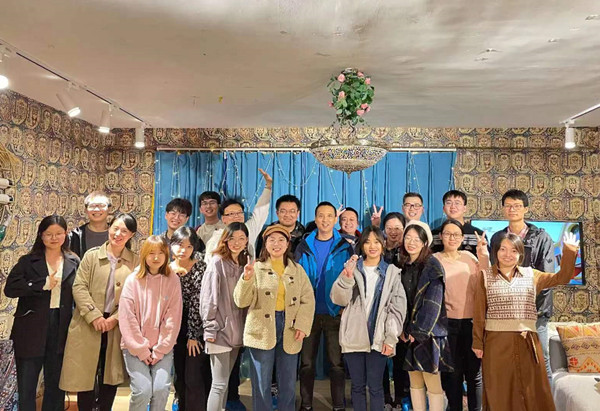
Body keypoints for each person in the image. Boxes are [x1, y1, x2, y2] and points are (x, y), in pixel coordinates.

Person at [472, 232, 579, 410]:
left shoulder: (532, 275)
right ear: (496, 252)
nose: (508, 254)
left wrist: (569, 251)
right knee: (499, 389)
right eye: (503, 249)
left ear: (521, 254)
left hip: (528, 342)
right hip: (495, 343)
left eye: (514, 250)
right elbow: (479, 311)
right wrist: (477, 342)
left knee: (532, 391)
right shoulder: (485, 276)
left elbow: (562, 277)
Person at [60, 213, 139, 411]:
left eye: (124, 231)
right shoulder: (92, 256)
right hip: (88, 322)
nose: (118, 234)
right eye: (115, 228)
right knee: (85, 373)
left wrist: (115, 318)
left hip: (117, 325)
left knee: (110, 375)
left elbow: (137, 297)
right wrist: (94, 316)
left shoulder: (135, 261)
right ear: (109, 228)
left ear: (131, 235)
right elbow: (79, 286)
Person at [234, 224, 316, 411]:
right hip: (261, 329)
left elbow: (307, 300)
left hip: (290, 328)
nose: (276, 244)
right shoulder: (256, 268)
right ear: (265, 244)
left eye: (281, 240)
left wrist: (302, 325)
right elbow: (240, 301)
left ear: (288, 244)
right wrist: (246, 278)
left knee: (288, 382)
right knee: (261, 382)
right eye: (272, 240)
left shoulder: (297, 269)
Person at [4, 215, 80, 411]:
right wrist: (41, 284)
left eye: (59, 234)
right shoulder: (28, 261)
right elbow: (10, 289)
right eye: (49, 234)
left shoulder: (73, 260)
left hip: (61, 326)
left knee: (56, 383)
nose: (54, 238)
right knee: (27, 383)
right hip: (31, 328)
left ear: (66, 234)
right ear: (41, 235)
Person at [330, 226, 407, 411]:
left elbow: (397, 308)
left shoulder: (392, 272)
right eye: (367, 242)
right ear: (361, 245)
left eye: (376, 242)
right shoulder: (352, 268)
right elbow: (338, 299)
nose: (372, 246)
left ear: (383, 244)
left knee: (376, 387)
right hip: (354, 336)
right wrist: (347, 278)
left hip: (378, 337)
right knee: (357, 387)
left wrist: (390, 337)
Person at [489, 189, 555, 381]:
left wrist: (529, 308)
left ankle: (546, 399)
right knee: (508, 364)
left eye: (517, 206)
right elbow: (494, 275)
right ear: (503, 209)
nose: (513, 209)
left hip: (536, 313)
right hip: (505, 314)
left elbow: (546, 278)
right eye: (508, 206)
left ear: (526, 209)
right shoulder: (497, 238)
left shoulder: (541, 237)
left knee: (540, 362)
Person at [295, 201, 354, 411]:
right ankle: (306, 405)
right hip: (308, 313)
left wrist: (344, 306)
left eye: (330, 216)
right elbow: (295, 278)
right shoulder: (303, 246)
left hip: (334, 312)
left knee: (337, 364)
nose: (325, 220)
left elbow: (352, 278)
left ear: (335, 219)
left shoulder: (345, 246)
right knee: (306, 363)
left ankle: (338, 405)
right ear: (315, 218)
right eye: (321, 215)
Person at [119, 235, 183, 411]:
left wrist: (160, 348)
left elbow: (173, 317)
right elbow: (127, 318)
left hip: (163, 347)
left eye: (161, 253)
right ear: (144, 255)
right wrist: (141, 348)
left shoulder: (172, 280)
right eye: (151, 253)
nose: (156, 257)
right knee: (143, 390)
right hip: (134, 346)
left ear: (166, 255)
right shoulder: (133, 280)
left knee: (161, 389)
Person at [397, 221, 450, 411]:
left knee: (432, 382)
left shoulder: (432, 266)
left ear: (425, 242)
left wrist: (418, 331)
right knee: (414, 380)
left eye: (417, 239)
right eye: (408, 238)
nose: (411, 243)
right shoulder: (403, 265)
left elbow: (433, 304)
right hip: (408, 332)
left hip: (429, 334)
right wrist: (403, 329)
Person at [433, 219, 482, 411]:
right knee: (452, 374)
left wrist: (484, 255)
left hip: (471, 323)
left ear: (462, 238)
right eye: (447, 234)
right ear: (441, 236)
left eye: (456, 234)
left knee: (474, 374)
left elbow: (485, 282)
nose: (451, 238)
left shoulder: (470, 258)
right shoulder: (434, 259)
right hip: (446, 324)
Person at [200, 223, 250, 411]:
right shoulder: (217, 262)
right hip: (219, 331)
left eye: (241, 238)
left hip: (237, 331)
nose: (237, 243)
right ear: (225, 240)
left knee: (225, 383)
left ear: (246, 241)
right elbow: (208, 298)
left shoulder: (245, 263)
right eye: (232, 238)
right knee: (219, 384)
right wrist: (209, 328)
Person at [170, 227, 211, 411]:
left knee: (193, 376)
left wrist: (193, 335)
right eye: (179, 245)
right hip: (174, 325)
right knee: (179, 373)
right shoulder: (167, 268)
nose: (183, 250)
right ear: (171, 245)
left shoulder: (200, 266)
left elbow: (197, 300)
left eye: (188, 246)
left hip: (196, 325)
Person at [204, 168, 272, 264]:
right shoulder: (217, 238)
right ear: (223, 219)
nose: (237, 216)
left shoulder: (248, 230)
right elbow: (209, 265)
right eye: (231, 214)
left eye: (239, 212)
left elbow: (260, 212)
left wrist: (268, 186)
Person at [431, 190, 484, 255]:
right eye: (448, 203)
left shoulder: (478, 234)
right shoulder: (434, 234)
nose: (453, 207)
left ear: (464, 208)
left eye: (457, 203)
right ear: (444, 208)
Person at [69, 191, 111, 258]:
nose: (97, 209)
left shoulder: (118, 233)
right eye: (92, 206)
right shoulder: (76, 236)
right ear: (85, 210)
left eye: (101, 205)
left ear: (109, 209)